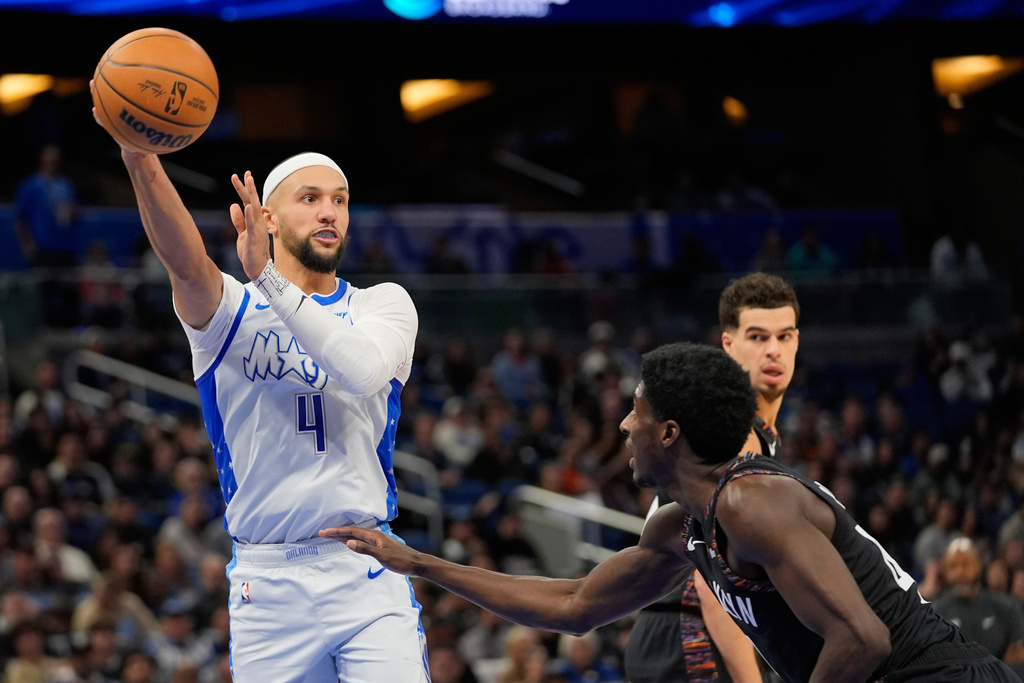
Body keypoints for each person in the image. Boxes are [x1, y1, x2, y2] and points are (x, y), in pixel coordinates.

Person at [324, 342, 1020, 683]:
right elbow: (574, 604)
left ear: (669, 432)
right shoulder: (682, 520)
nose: (621, 424)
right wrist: (417, 562)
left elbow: (862, 638)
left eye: (635, 409)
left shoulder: (754, 501)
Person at [92, 92, 428, 682]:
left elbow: (363, 371)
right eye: (311, 198)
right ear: (266, 219)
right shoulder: (231, 309)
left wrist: (268, 277)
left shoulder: (384, 305)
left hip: (365, 569)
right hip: (267, 584)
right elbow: (186, 263)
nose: (330, 212)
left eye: (340, 201)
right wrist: (138, 156)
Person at [624, 272, 801, 683]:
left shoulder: (752, 432)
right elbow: (716, 583)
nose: (774, 351)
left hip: (667, 632)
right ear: (728, 344)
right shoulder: (738, 436)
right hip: (692, 635)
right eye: (758, 337)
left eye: (785, 336)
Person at [930, 538, 1024, 679]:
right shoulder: (935, 613)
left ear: (978, 564)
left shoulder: (1007, 607)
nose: (960, 572)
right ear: (945, 571)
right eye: (953, 566)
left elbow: (1017, 659)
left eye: (966, 563)